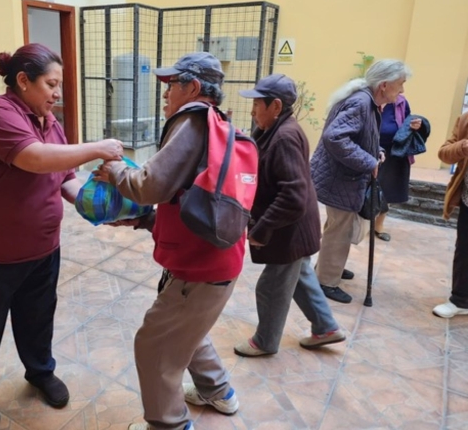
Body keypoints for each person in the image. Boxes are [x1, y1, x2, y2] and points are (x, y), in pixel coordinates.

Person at [0, 43, 123, 428]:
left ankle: (40, 371)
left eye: (59, 84)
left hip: (42, 249)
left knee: (37, 318)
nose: (57, 93)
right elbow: (34, 159)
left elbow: (64, 178)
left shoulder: (51, 123)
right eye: (51, 84)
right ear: (23, 81)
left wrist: (97, 210)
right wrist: (98, 148)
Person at [94, 52, 241, 430]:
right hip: (217, 258)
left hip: (201, 268)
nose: (165, 94)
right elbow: (193, 199)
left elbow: (151, 184)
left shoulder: (191, 121)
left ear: (192, 88)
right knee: (188, 330)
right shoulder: (218, 123)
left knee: (154, 345)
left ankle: (170, 424)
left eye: (171, 85)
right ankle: (218, 391)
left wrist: (114, 171)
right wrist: (145, 220)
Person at [233, 74, 345, 358]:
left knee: (270, 287)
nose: (253, 110)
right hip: (296, 226)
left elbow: (293, 195)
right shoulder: (275, 129)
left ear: (276, 106)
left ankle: (265, 341)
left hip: (290, 229)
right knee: (301, 276)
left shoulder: (284, 137)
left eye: (258, 104)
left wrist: (262, 229)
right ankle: (326, 327)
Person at [311, 59, 412, 304]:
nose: (402, 91)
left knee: (338, 227)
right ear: (384, 85)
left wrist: (374, 149)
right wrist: (369, 162)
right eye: (400, 85)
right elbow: (335, 138)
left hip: (342, 177)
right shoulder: (361, 102)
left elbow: (360, 135)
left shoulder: (368, 101)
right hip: (341, 179)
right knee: (340, 230)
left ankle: (329, 267)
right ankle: (326, 280)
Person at [433, 112, 468, 318]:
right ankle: (461, 300)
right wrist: (463, 146)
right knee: (464, 249)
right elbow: (444, 152)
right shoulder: (465, 119)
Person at [374, 95, 422, 241]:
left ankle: (378, 225)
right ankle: (361, 222)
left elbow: (407, 122)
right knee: (368, 187)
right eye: (399, 83)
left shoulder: (401, 101)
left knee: (387, 189)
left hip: (395, 151)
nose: (401, 89)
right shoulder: (371, 99)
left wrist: (415, 125)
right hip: (371, 148)